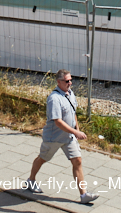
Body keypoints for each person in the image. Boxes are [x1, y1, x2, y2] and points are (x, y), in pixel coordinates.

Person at [23, 69, 101, 205]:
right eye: (67, 81)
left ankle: (84, 195)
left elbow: (73, 112)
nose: (70, 83)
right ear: (59, 82)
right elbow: (57, 121)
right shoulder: (54, 98)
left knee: (77, 161)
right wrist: (76, 132)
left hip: (68, 138)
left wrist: (77, 129)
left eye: (71, 80)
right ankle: (31, 180)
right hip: (54, 138)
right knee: (42, 159)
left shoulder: (70, 94)